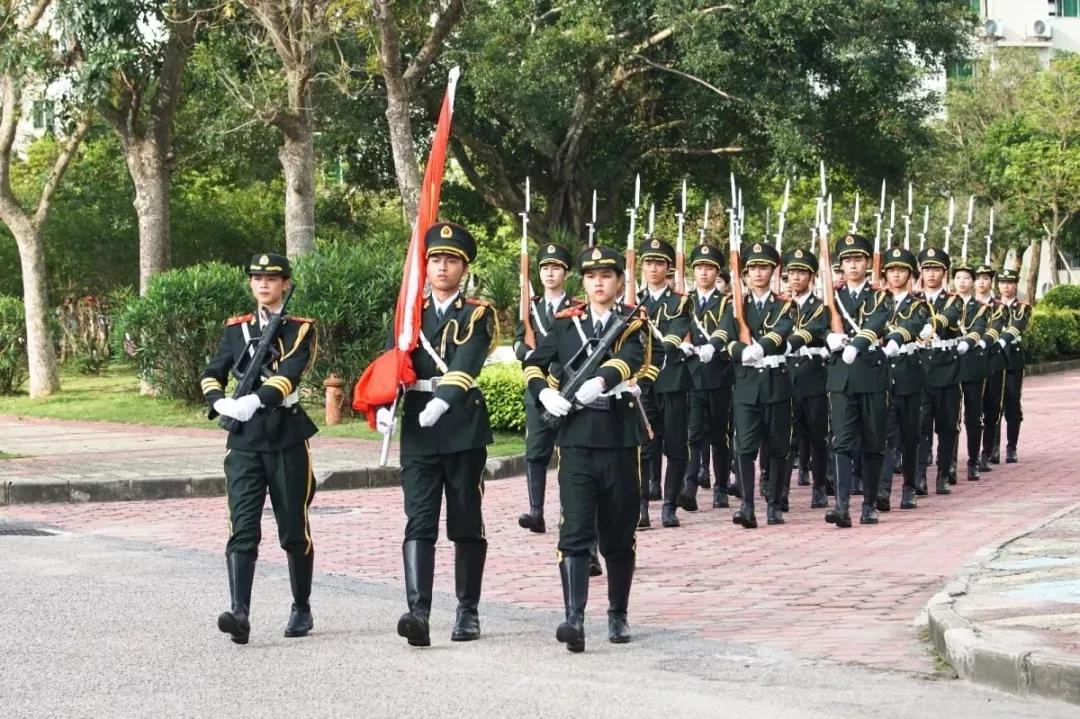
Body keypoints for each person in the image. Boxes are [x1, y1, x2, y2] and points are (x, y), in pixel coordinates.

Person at [523, 245, 650, 653]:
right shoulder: (565, 324)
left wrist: (600, 381)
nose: (599, 282)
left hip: (617, 436)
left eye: (607, 276)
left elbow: (630, 359)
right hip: (576, 437)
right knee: (574, 529)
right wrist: (543, 394)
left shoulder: (633, 322)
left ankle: (617, 613)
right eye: (592, 276)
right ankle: (573, 618)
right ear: (584, 282)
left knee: (617, 531)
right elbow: (533, 362)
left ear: (619, 282)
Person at [376, 222, 497, 648]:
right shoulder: (409, 314)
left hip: (461, 424)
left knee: (465, 521)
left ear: (464, 267)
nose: (441, 267)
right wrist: (382, 408)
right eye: (434, 260)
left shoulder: (477, 313)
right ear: (423, 267)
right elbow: (395, 364)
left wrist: (443, 400)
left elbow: (467, 360)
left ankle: (467, 611)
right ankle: (418, 612)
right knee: (419, 520)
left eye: (450, 260)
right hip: (418, 430)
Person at [200, 253, 319, 645]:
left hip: (285, 436)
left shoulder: (300, 329)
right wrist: (220, 401)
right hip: (245, 443)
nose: (263, 284)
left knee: (292, 528)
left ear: (286, 283)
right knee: (242, 528)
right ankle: (240, 611)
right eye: (256, 278)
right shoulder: (237, 329)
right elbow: (213, 371)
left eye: (272, 278)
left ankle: (301, 606)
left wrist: (255, 400)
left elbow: (289, 373)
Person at [712, 242, 795, 528]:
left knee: (776, 447)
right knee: (744, 447)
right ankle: (747, 505)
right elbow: (725, 331)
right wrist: (738, 350)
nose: (758, 273)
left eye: (763, 267)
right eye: (752, 268)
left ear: (773, 271)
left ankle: (773, 504)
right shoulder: (736, 304)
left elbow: (784, 329)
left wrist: (761, 346)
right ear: (745, 274)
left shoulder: (784, 303)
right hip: (747, 384)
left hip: (775, 382)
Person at [823, 234, 893, 528]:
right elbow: (815, 321)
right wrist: (826, 336)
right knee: (841, 441)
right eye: (848, 260)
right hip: (840, 377)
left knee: (873, 440)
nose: (853, 265)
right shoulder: (831, 295)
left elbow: (878, 321)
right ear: (841, 265)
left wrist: (855, 344)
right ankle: (841, 505)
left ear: (867, 263)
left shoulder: (880, 295)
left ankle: (869, 504)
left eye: (858, 259)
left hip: (871, 374)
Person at [513, 243, 582, 533]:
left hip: (567, 387)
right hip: (537, 386)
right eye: (544, 268)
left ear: (565, 273)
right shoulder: (531, 306)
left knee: (570, 453)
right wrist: (522, 351)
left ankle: (570, 512)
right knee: (535, 452)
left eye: (555, 268)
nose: (549, 273)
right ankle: (536, 511)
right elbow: (519, 338)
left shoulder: (577, 307)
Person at [636, 238, 693, 528]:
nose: (653, 268)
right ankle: (642, 506)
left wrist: (659, 350)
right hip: (642, 383)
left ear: (668, 268)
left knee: (675, 445)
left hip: (671, 380)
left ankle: (669, 505)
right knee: (644, 445)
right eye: (648, 262)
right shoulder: (632, 301)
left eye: (659, 263)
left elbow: (675, 334)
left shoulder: (680, 301)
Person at [877, 248, 930, 511]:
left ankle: (909, 488)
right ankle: (883, 488)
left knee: (909, 435)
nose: (896, 274)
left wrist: (896, 338)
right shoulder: (876, 302)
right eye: (891, 270)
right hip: (882, 374)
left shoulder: (919, 305)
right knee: (886, 435)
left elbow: (913, 327)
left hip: (908, 373)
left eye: (902, 270)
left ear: (910, 274)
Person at [682, 243, 733, 511]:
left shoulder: (726, 302)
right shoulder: (684, 301)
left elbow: (727, 328)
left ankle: (721, 486)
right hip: (691, 373)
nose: (704, 272)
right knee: (693, 432)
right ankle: (689, 484)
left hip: (718, 373)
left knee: (718, 434)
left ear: (717, 272)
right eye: (700, 267)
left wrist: (713, 345)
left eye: (709, 268)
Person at [783, 248, 832, 509]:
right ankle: (781, 490)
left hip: (813, 374)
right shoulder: (779, 304)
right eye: (792, 272)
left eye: (802, 272)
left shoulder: (820, 307)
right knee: (786, 437)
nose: (796, 277)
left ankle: (820, 486)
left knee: (817, 435)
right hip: (785, 373)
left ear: (811, 277)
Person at [916, 247, 965, 496]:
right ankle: (920, 475)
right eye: (926, 269)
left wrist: (930, 325)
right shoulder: (914, 300)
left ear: (944, 272)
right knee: (921, 426)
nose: (930, 273)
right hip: (921, 369)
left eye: (935, 269)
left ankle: (944, 474)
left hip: (947, 369)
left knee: (947, 426)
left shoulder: (953, 299)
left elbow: (948, 316)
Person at [950, 259, 990, 481]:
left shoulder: (981, 307)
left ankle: (973, 460)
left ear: (973, 282)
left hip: (973, 364)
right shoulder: (946, 304)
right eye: (958, 278)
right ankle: (951, 464)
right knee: (951, 417)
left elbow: (980, 328)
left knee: (973, 415)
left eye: (966, 278)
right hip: (951, 365)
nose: (962, 282)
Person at [996, 268, 1032, 463]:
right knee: (993, 405)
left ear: (1015, 285)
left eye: (1010, 283)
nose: (1006, 286)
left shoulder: (1022, 308)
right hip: (994, 361)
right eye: (1002, 283)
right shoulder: (991, 307)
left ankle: (1011, 447)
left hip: (1012, 361)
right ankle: (992, 447)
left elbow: (1017, 325)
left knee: (1012, 402)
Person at [975, 264, 1006, 472]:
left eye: (986, 278)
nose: (982, 282)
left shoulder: (999, 307)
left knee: (992, 407)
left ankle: (987, 451)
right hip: (971, 363)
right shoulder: (964, 305)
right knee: (973, 410)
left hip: (993, 361)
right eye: (978, 278)